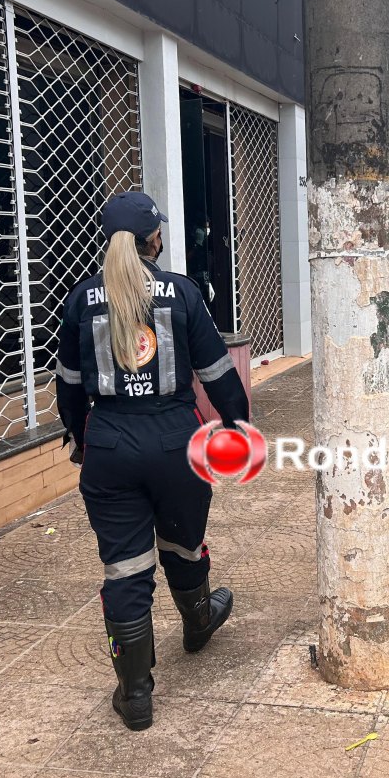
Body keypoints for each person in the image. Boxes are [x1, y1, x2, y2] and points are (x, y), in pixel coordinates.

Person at [54, 191, 250, 730]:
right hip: (175, 443)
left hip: (110, 446)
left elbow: (68, 386)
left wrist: (81, 441)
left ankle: (135, 693)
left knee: (125, 567)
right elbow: (217, 374)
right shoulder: (182, 292)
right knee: (183, 542)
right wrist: (238, 427)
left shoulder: (82, 298)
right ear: (154, 239)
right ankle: (198, 621)